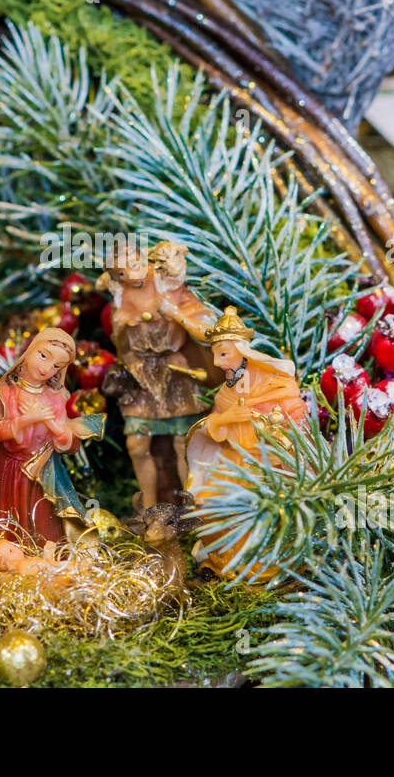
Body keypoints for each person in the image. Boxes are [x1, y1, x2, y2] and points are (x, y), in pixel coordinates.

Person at [185, 306, 307, 580]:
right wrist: (227, 418)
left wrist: (266, 422)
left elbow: (295, 417)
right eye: (215, 354)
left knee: (261, 506)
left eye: (223, 354)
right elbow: (212, 429)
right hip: (234, 460)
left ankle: (262, 561)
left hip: (269, 464)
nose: (217, 363)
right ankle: (225, 557)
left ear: (242, 350)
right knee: (205, 503)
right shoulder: (224, 393)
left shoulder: (275, 383)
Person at [99, 240, 216, 509]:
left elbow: (200, 322)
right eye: (124, 268)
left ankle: (193, 505)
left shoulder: (166, 284)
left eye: (136, 260)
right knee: (137, 446)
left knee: (182, 442)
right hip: (140, 378)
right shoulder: (119, 298)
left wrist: (175, 314)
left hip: (175, 374)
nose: (134, 269)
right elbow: (121, 344)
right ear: (118, 276)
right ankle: (149, 509)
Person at [0, 328, 105, 546]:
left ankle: (45, 563)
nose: (46, 368)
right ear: (30, 351)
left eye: (56, 366)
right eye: (43, 355)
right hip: (9, 471)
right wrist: (27, 419)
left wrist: (48, 422)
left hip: (45, 474)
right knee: (9, 526)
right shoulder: (5, 392)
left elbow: (67, 443)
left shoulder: (57, 398)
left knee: (44, 525)